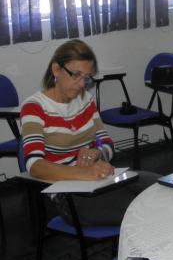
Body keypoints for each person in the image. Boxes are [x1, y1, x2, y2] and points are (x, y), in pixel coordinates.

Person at [20, 39, 160, 226]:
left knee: (164, 189)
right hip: (68, 194)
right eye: (75, 75)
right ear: (56, 69)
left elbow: (106, 144)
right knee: (144, 211)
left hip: (99, 180)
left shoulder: (86, 100)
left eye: (86, 78)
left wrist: (98, 152)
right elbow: (34, 165)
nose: (81, 84)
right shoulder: (34, 107)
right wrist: (82, 173)